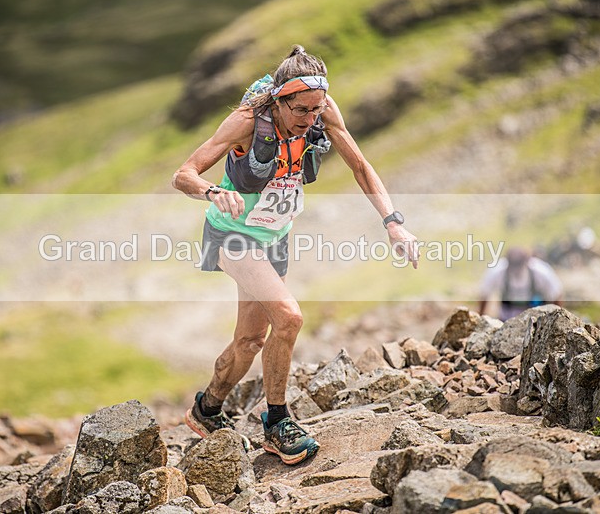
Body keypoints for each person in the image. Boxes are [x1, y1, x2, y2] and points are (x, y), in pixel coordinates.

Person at [172, 45, 419, 465]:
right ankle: (277, 424)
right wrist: (212, 191)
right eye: (301, 110)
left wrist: (392, 221)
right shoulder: (247, 121)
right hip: (231, 235)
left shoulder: (323, 111)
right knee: (288, 317)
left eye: (316, 109)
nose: (310, 119)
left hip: (273, 238)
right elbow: (183, 174)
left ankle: (207, 409)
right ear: (279, 100)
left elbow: (360, 166)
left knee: (251, 340)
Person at [479, 246, 563, 321]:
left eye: (518, 264)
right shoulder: (497, 271)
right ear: (508, 262)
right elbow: (484, 294)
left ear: (526, 261)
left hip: (536, 319)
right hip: (507, 320)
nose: (516, 269)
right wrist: (480, 318)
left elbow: (556, 295)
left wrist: (555, 319)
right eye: (513, 264)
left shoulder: (541, 272)